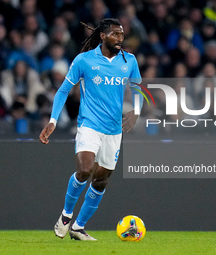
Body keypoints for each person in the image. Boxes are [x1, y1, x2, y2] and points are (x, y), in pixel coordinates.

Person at [39, 18, 142, 241]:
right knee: (85, 170)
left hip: (114, 130)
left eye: (122, 35)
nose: (120, 39)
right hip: (89, 125)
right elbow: (63, 91)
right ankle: (66, 215)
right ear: (103, 36)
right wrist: (53, 121)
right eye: (115, 34)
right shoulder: (84, 60)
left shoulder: (129, 61)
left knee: (101, 180)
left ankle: (79, 227)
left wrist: (137, 111)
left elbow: (137, 88)